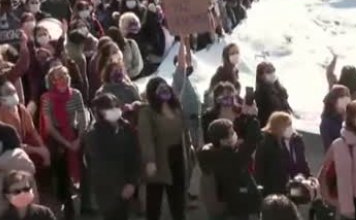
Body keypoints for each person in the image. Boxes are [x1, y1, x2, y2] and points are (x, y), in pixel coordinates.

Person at [137, 77, 191, 220]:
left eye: (165, 88)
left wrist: (190, 153)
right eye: (160, 89)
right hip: (159, 159)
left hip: (178, 157)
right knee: (154, 203)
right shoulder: (147, 112)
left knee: (178, 201)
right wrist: (149, 161)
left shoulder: (177, 108)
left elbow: (185, 133)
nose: (164, 91)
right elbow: (145, 137)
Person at [197, 103, 262, 219]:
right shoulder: (231, 159)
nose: (235, 135)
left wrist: (244, 116)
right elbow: (252, 141)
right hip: (235, 210)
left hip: (225, 208)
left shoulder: (211, 154)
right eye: (231, 133)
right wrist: (253, 118)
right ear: (223, 141)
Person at [39, 66, 86, 220]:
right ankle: (66, 205)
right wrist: (66, 143)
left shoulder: (76, 94)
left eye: (66, 74)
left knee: (84, 166)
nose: (64, 78)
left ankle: (85, 203)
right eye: (60, 76)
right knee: (62, 169)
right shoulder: (47, 98)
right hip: (57, 137)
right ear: (53, 80)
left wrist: (79, 137)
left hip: (74, 133)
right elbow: (49, 127)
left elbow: (81, 116)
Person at [84, 94, 140, 220]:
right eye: (110, 108)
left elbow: (135, 155)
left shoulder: (126, 128)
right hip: (108, 190)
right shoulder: (94, 135)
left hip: (127, 185)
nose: (115, 110)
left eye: (116, 106)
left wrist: (132, 182)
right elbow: (102, 167)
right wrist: (120, 188)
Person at [255, 112, 310, 196]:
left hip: (294, 186)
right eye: (287, 125)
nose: (290, 128)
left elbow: (303, 163)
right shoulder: (267, 144)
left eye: (291, 125)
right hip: (275, 190)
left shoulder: (297, 141)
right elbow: (260, 170)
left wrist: (308, 178)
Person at [255, 62, 292, 127]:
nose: (272, 74)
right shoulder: (261, 92)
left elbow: (285, 105)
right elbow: (273, 107)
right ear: (260, 76)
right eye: (268, 72)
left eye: (273, 71)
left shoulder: (279, 88)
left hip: (283, 123)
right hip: (271, 125)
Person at [320, 85, 351, 151]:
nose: (347, 99)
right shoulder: (327, 123)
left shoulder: (348, 119)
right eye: (342, 96)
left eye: (348, 96)